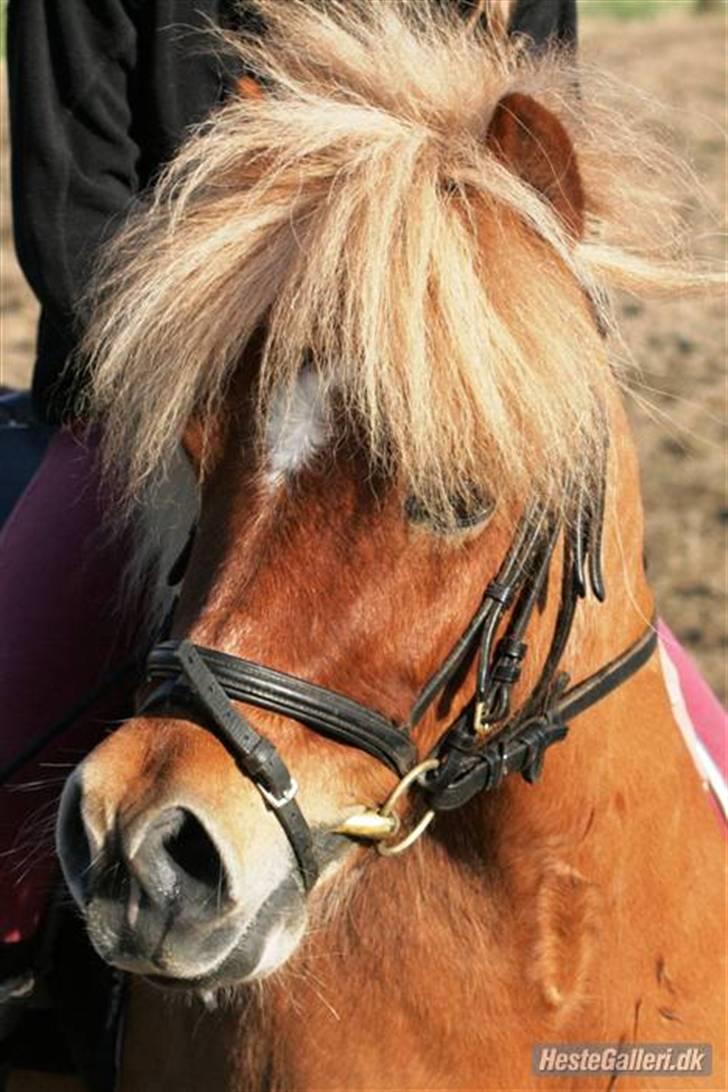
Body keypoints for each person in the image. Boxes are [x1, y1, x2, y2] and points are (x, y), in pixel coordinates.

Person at [0, 0, 577, 1001]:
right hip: (165, 410)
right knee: (14, 723)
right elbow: (71, 217)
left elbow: (531, 209)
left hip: (432, 420)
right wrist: (241, 381)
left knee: (675, 757)